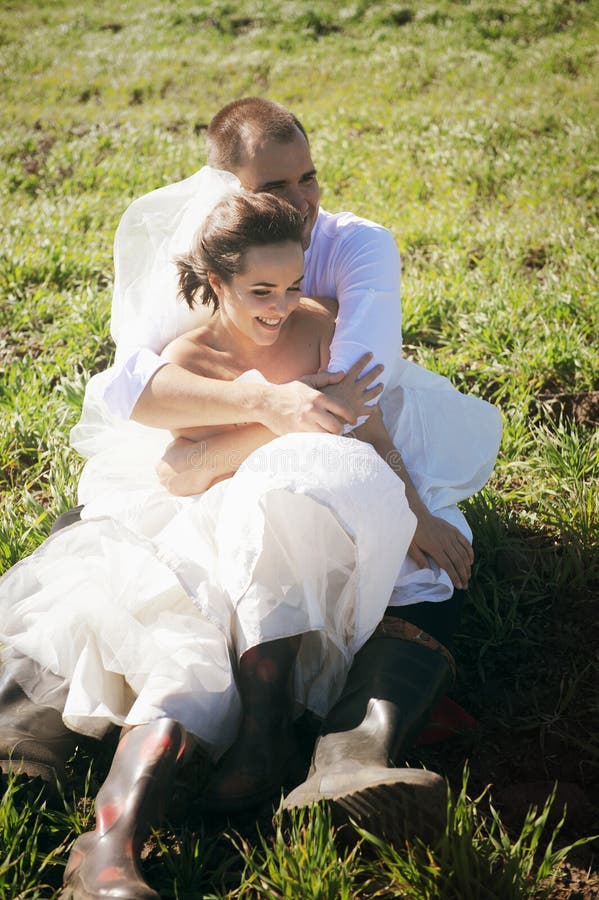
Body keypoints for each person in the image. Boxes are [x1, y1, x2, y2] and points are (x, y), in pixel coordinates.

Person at [0, 98, 501, 839]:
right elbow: (132, 387)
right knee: (114, 549)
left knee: (418, 547)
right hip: (205, 434)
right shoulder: (201, 252)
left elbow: (355, 384)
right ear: (223, 190)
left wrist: (392, 487)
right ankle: (31, 729)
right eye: (274, 188)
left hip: (348, 432)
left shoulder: (353, 244)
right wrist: (266, 406)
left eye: (309, 178)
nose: (300, 201)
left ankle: (353, 753)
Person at [1, 192, 419, 899]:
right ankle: (109, 847)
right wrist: (284, 417)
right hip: (203, 516)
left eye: (291, 286)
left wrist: (419, 507)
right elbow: (180, 471)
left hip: (292, 524)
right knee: (181, 636)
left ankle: (261, 745)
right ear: (216, 283)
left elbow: (367, 430)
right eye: (261, 290)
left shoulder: (317, 327)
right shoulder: (189, 355)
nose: (281, 306)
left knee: (274, 539)